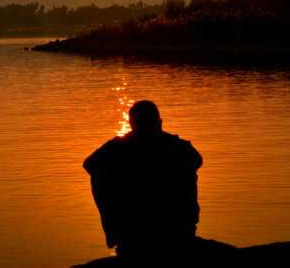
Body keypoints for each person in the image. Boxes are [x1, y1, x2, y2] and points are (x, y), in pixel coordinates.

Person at [83, 100, 203, 264]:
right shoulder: (178, 146)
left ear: (132, 124)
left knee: (100, 174)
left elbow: (90, 164)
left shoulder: (119, 147)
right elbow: (197, 160)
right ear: (159, 122)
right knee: (99, 175)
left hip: (164, 229)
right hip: (163, 229)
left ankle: (121, 233)